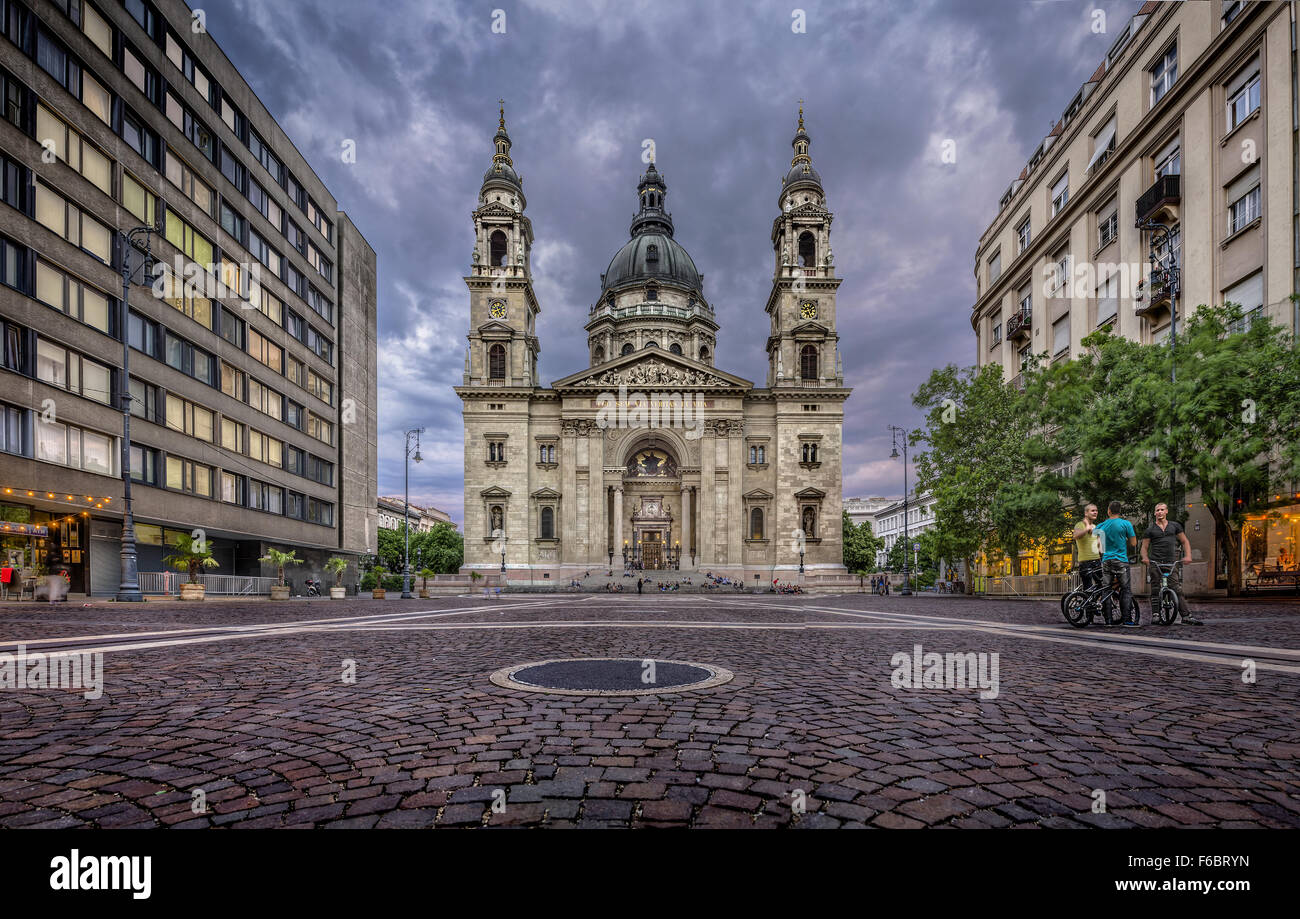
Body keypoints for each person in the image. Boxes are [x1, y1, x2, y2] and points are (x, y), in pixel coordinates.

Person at [1141, 502, 1201, 625]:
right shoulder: (1150, 530)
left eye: (1162, 509)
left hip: (1172, 561)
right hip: (1155, 561)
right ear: (1154, 513)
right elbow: (1144, 547)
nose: (1159, 512)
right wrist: (1145, 558)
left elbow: (1185, 541)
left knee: (1176, 588)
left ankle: (1186, 616)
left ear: (1166, 511)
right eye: (1157, 510)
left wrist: (1188, 555)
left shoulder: (1175, 526)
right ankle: (1156, 614)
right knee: (1155, 588)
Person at [1095, 501, 1138, 627]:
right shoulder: (1126, 524)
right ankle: (1127, 620)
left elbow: (1096, 542)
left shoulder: (1101, 525)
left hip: (1106, 560)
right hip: (1121, 560)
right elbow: (1134, 543)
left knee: (1106, 589)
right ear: (1119, 511)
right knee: (1125, 589)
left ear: (1108, 511)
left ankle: (1108, 620)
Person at [1073, 503, 1104, 592]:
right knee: (1088, 588)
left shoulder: (1095, 527)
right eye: (1093, 510)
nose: (1095, 512)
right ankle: (1088, 605)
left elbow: (1099, 546)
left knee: (1102, 585)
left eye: (1096, 510)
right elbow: (1075, 536)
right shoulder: (1079, 525)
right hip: (1085, 562)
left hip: (1097, 561)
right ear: (1086, 513)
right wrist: (1087, 529)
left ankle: (1100, 604)